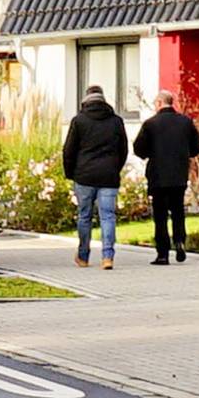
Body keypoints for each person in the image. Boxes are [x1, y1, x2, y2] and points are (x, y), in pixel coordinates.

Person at [61, 85, 129, 269]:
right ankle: (108, 257)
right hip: (108, 176)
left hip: (84, 176)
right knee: (108, 216)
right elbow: (123, 149)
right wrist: (116, 168)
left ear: (86, 100)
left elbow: (69, 150)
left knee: (84, 216)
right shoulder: (116, 121)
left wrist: (70, 173)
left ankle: (83, 256)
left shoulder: (79, 121)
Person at [133, 91, 199, 265]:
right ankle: (179, 241)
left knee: (160, 215)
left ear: (159, 103)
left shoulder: (150, 124)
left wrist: (152, 153)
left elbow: (139, 148)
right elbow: (196, 147)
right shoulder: (185, 122)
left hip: (158, 176)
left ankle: (163, 253)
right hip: (179, 175)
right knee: (178, 211)